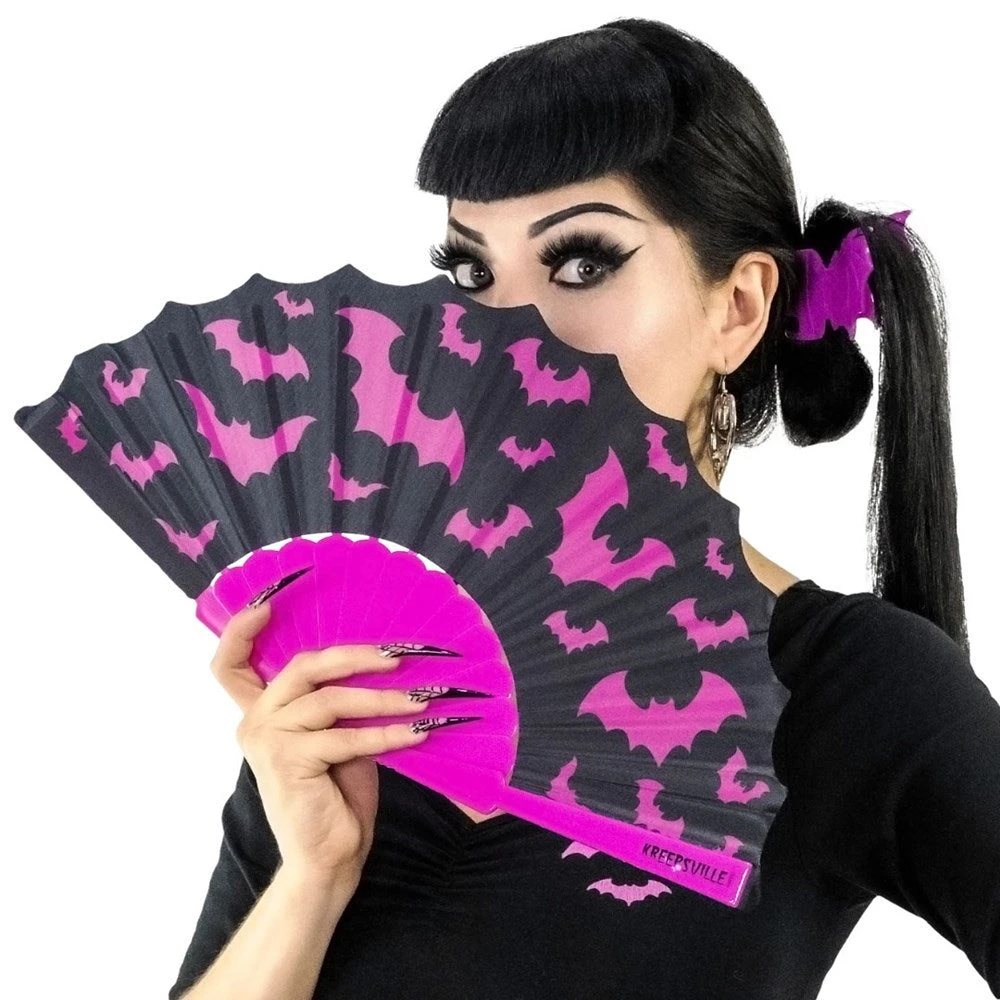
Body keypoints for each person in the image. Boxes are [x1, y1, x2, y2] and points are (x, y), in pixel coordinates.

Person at [166, 17, 1000, 999]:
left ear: (737, 306)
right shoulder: (355, 672)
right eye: (471, 272)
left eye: (580, 264)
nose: (498, 333)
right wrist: (313, 876)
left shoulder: (855, 688)